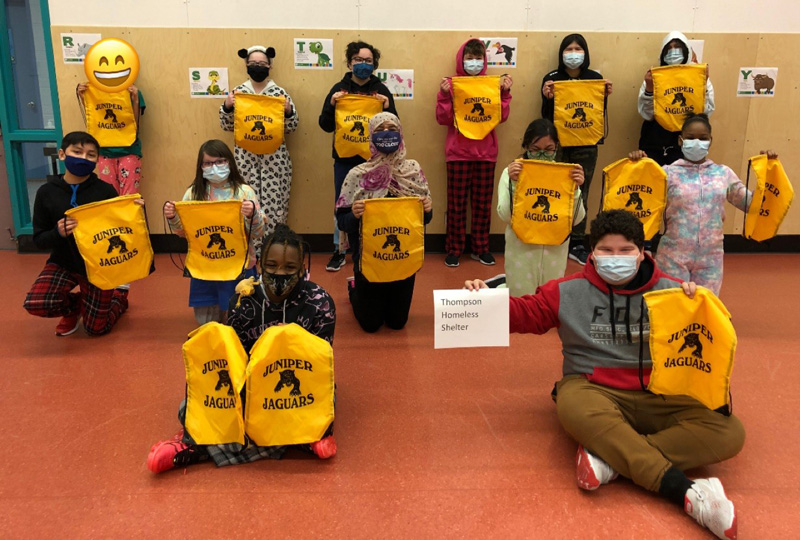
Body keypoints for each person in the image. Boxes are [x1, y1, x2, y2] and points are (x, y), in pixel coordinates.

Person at [465, 209, 743, 540]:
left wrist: (701, 307)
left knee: (729, 433)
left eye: (625, 250)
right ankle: (684, 492)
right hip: (593, 390)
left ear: (642, 253)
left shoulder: (676, 292)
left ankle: (609, 459)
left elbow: (710, 352)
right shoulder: (566, 291)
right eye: (606, 250)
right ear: (592, 254)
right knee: (573, 408)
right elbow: (525, 314)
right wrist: (482, 301)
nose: (616, 258)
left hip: (659, 393)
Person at [147, 224, 337, 473]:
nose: (280, 273)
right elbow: (233, 365)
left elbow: (318, 368)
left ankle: (193, 446)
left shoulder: (320, 303)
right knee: (190, 405)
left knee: (324, 406)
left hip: (295, 390)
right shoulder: (243, 300)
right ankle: (302, 441)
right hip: (252, 387)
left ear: (303, 268)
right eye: (271, 265)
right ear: (259, 266)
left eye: (290, 267)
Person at [629, 114, 774, 296]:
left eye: (702, 138)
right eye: (690, 138)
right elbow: (640, 204)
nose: (696, 142)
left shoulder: (723, 174)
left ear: (710, 141)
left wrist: (767, 173)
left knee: (706, 308)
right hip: (673, 254)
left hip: (710, 257)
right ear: (681, 141)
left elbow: (752, 205)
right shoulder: (665, 174)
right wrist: (636, 166)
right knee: (672, 307)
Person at [23, 131, 129, 336]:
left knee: (97, 329)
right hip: (63, 262)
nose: (83, 158)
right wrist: (57, 232)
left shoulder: (106, 191)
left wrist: (132, 210)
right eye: (77, 152)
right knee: (37, 302)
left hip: (98, 266)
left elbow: (121, 230)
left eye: (90, 155)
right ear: (62, 154)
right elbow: (39, 240)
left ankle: (118, 298)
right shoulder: (46, 192)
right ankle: (75, 308)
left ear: (97, 160)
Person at [335, 113, 432, 333]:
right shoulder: (357, 175)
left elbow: (424, 219)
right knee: (371, 325)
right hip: (368, 257)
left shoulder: (413, 170)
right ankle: (354, 288)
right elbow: (342, 222)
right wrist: (354, 214)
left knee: (397, 323)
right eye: (379, 130)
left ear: (400, 133)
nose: (386, 133)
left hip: (403, 257)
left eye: (391, 128)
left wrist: (427, 209)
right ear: (370, 136)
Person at [164, 139, 266, 325]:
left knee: (241, 318)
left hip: (239, 265)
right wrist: (172, 217)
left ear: (229, 162)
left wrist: (252, 215)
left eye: (220, 161)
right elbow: (182, 232)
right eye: (208, 163)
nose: (215, 167)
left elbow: (258, 232)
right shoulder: (193, 194)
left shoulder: (244, 192)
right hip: (205, 265)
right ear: (201, 166)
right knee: (207, 321)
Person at [319, 41, 397, 272]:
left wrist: (388, 107)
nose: (363, 64)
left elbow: (394, 128)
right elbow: (324, 125)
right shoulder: (339, 89)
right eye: (358, 60)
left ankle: (371, 246)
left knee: (374, 204)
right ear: (350, 62)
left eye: (368, 61)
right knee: (343, 205)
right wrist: (333, 104)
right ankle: (340, 250)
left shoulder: (381, 90)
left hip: (375, 160)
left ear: (374, 65)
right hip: (344, 158)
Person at [436, 38, 512, 267]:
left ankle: (481, 247)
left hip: (486, 153)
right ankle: (454, 249)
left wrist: (505, 94)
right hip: (458, 153)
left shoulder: (491, 84)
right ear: (461, 60)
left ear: (485, 60)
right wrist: (444, 96)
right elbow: (442, 119)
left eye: (478, 58)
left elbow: (501, 116)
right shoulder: (452, 83)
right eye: (469, 58)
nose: (474, 62)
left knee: (482, 204)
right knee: (456, 204)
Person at [541, 33, 612, 265]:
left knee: (582, 191)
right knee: (556, 190)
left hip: (586, 144)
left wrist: (605, 96)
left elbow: (596, 114)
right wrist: (547, 97)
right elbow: (545, 117)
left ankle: (578, 242)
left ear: (585, 52)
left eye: (577, 49)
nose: (573, 53)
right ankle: (556, 235)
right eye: (568, 49)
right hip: (559, 144)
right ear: (562, 53)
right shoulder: (552, 77)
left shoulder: (595, 78)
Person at [496, 119, 585, 296]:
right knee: (520, 302)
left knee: (548, 301)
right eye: (536, 150)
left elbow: (577, 219)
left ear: (556, 148)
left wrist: (575, 190)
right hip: (521, 251)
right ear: (526, 147)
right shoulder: (511, 172)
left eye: (549, 149)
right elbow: (505, 214)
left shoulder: (565, 175)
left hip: (555, 251)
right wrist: (514, 184)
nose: (543, 155)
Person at [219, 45, 298, 233]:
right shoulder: (238, 92)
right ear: (246, 64)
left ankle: (272, 251)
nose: (258, 66)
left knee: (276, 208)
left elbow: (292, 127)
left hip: (275, 161)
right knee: (245, 205)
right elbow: (227, 126)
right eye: (253, 63)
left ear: (269, 66)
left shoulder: (279, 94)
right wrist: (227, 107)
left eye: (262, 63)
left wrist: (288, 112)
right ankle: (248, 252)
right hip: (245, 160)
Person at [637, 31, 715, 166]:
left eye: (677, 48)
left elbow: (706, 112)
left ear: (686, 51)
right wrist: (649, 89)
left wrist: (702, 82)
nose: (673, 53)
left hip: (687, 140)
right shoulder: (654, 77)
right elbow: (647, 115)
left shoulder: (698, 76)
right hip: (656, 140)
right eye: (669, 49)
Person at [77, 82, 145, 194]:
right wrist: (84, 97)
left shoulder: (132, 91)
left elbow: (135, 125)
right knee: (109, 195)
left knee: (130, 196)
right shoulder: (94, 90)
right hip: (105, 152)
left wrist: (136, 100)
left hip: (128, 150)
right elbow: (94, 116)